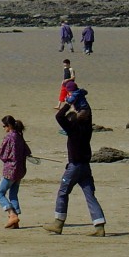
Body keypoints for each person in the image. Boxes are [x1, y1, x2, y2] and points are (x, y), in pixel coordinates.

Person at [44, 102, 107, 237]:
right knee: (90, 195)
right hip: (86, 166)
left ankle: (58, 223)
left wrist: (68, 104)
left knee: (63, 192)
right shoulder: (87, 128)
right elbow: (89, 114)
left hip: (75, 166)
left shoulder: (72, 129)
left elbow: (59, 116)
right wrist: (80, 101)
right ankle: (99, 226)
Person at [0, 116, 31, 229]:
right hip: (20, 169)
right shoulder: (20, 136)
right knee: (13, 194)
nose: (3, 128)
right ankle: (15, 222)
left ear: (9, 126)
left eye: (4, 126)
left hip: (11, 170)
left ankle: (12, 214)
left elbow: (3, 155)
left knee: (0, 193)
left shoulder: (10, 137)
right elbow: (27, 151)